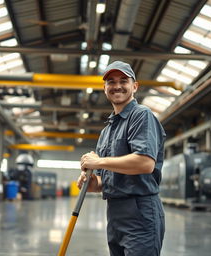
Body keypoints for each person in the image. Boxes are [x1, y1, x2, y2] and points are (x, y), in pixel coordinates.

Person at [77, 61, 166, 256]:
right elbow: (103, 181)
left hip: (140, 211)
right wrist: (91, 182)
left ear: (134, 86)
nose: (117, 86)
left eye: (123, 80)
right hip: (115, 213)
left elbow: (145, 163)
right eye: (111, 81)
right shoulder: (106, 131)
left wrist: (98, 162)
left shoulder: (141, 115)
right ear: (105, 88)